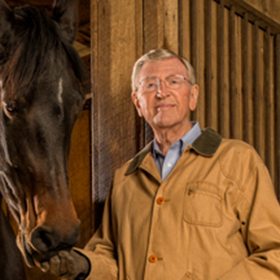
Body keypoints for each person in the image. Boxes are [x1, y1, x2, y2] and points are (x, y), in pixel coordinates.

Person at [42, 49, 280, 279]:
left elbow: (274, 253)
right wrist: (85, 265)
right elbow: (112, 257)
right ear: (137, 102)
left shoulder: (238, 160)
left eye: (174, 81)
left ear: (193, 95)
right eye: (150, 84)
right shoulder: (125, 179)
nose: (162, 92)